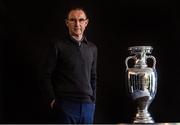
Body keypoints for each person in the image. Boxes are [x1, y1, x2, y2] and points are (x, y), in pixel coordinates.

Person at [39, 7, 98, 124]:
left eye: (81, 20)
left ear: (86, 23)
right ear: (67, 23)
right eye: (73, 20)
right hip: (66, 106)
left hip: (88, 106)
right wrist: (52, 100)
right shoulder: (57, 45)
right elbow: (45, 75)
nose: (77, 24)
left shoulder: (92, 48)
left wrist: (93, 101)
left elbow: (93, 76)